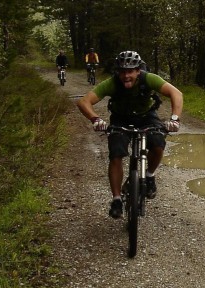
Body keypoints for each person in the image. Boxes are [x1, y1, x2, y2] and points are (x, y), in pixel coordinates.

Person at [76, 50, 182, 219]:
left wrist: (175, 119)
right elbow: (83, 101)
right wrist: (95, 119)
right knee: (116, 154)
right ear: (118, 72)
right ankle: (117, 199)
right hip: (120, 119)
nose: (126, 76)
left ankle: (149, 175)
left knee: (158, 142)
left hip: (147, 117)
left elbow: (176, 93)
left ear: (138, 71)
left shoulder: (149, 78)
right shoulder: (112, 83)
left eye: (130, 71)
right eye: (122, 71)